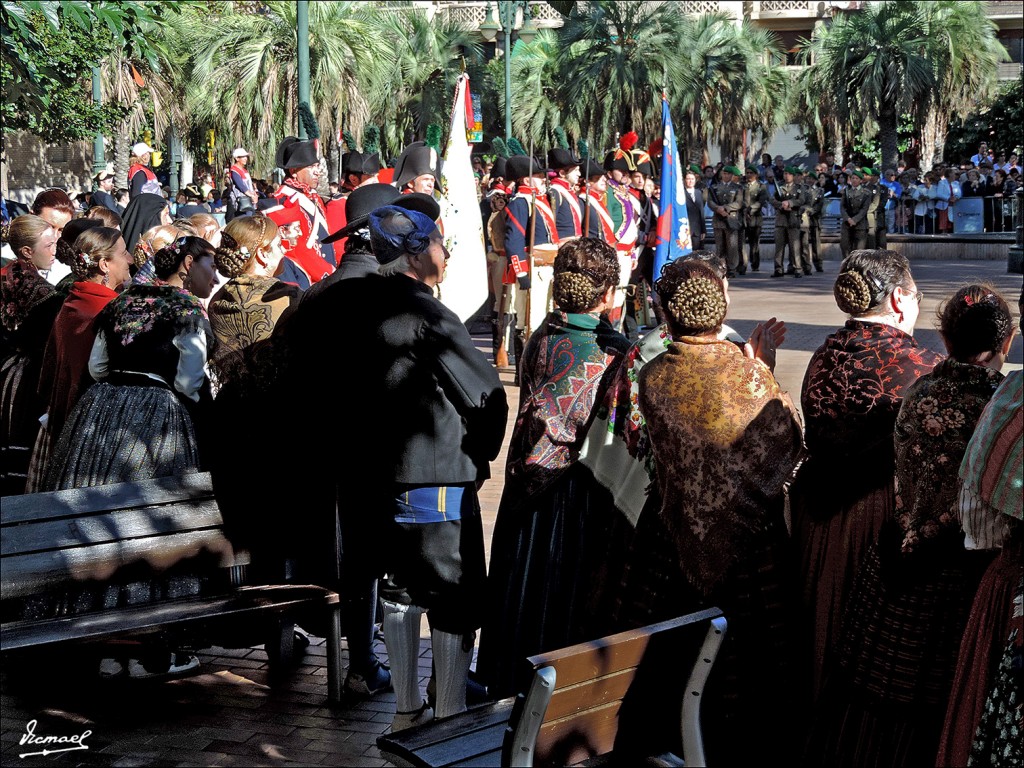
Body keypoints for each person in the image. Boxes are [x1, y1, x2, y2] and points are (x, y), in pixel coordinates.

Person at [289, 205, 507, 730]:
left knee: (395, 588)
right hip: (429, 478)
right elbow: (486, 398)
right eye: (439, 244)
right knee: (449, 593)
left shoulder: (332, 303)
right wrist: (477, 457)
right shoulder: (424, 313)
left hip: (360, 477)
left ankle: (407, 710)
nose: (446, 254)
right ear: (415, 254)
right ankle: (447, 709)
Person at [805, 284, 1014, 768]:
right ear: (1005, 343)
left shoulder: (919, 387)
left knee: (876, 688)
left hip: (895, 559)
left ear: (944, 338)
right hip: (960, 572)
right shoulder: (1000, 404)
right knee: (945, 692)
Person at [612, 257, 803, 765]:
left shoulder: (653, 376)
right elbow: (787, 442)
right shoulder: (752, 377)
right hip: (751, 548)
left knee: (665, 663)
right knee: (755, 669)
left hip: (667, 537)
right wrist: (757, 366)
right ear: (720, 309)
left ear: (667, 314)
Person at [477, 238, 629, 699]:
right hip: (572, 491)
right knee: (560, 595)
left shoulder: (542, 334)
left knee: (519, 590)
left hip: (525, 482)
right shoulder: (614, 351)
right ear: (606, 294)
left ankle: (507, 680)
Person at [790, 250, 942, 703]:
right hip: (875, 521)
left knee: (819, 622)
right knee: (864, 643)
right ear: (899, 298)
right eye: (917, 296)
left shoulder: (824, 354)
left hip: (816, 518)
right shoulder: (921, 366)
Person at [45, 237, 218, 491]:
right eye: (212, 266)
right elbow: (188, 383)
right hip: (158, 411)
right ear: (189, 263)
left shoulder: (121, 300)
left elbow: (97, 367)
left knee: (89, 486)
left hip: (101, 406)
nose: (215, 276)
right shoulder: (187, 308)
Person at [936, 303, 1022, 766]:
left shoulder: (1009, 399)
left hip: (1002, 584)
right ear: (1005, 341)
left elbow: (981, 526)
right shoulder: (1004, 395)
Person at [27, 227, 131, 491]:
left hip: (64, 418)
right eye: (123, 252)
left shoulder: (74, 300)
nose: (130, 259)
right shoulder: (105, 309)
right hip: (89, 433)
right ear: (104, 264)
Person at [0, 215, 63, 495]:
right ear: (27, 251)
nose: (54, 251)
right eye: (49, 245)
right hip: (30, 382)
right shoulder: (46, 295)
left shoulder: (6, 276)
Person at [272, 136, 336, 290]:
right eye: (312, 166)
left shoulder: (313, 197)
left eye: (317, 166)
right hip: (308, 282)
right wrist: (329, 274)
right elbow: (297, 249)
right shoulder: (283, 201)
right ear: (294, 171)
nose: (318, 172)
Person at [30, 189, 76, 285]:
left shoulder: (67, 270)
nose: (54, 237)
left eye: (61, 230)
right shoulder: (5, 258)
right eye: (49, 227)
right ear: (31, 217)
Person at [708, 165, 744, 277]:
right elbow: (710, 202)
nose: (726, 175)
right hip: (718, 220)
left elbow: (738, 203)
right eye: (724, 173)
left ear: (732, 175)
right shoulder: (714, 187)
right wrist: (717, 209)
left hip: (731, 219)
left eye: (728, 174)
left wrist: (726, 208)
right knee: (720, 246)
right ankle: (720, 267)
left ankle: (732, 268)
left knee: (732, 246)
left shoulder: (737, 188)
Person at [772, 166, 805, 277]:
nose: (786, 176)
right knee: (779, 247)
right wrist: (781, 204)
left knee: (795, 246)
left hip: (793, 218)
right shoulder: (779, 187)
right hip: (781, 219)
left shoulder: (799, 188)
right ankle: (778, 269)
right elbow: (772, 200)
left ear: (793, 176)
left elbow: (801, 200)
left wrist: (789, 203)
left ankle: (797, 268)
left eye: (789, 174)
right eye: (785, 173)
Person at [546, 147, 583, 241]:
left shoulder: (568, 191)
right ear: (562, 173)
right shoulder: (555, 191)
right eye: (575, 170)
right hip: (562, 244)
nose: (579, 174)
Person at [840, 169, 871, 256]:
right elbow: (842, 207)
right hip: (847, 223)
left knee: (859, 249)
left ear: (861, 180)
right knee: (844, 245)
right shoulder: (846, 191)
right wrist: (848, 219)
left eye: (857, 178)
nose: (854, 180)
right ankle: (847, 265)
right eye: (853, 178)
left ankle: (857, 268)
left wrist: (855, 220)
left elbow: (864, 209)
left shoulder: (866, 193)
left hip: (860, 224)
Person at [742, 166, 768, 272]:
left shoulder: (761, 186)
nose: (748, 175)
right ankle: (742, 265)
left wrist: (750, 211)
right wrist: (744, 211)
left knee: (754, 244)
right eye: (747, 172)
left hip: (755, 219)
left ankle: (755, 263)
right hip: (743, 218)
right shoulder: (742, 186)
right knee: (742, 243)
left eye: (751, 173)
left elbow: (761, 201)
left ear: (756, 175)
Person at [228, 147, 259, 218]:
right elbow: (241, 186)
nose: (245, 158)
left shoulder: (244, 170)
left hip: (249, 201)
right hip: (242, 202)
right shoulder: (234, 170)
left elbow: (249, 185)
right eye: (243, 157)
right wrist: (251, 196)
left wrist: (254, 194)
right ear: (237, 158)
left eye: (246, 156)